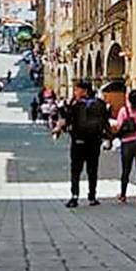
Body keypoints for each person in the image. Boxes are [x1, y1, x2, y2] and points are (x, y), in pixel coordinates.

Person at [53, 80, 112, 208]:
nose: (75, 92)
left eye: (77, 90)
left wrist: (59, 128)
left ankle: (74, 196)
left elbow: (67, 120)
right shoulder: (100, 104)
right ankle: (92, 197)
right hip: (95, 142)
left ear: (84, 91)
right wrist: (109, 139)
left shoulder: (76, 105)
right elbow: (105, 122)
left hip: (78, 142)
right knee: (92, 170)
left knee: (76, 170)